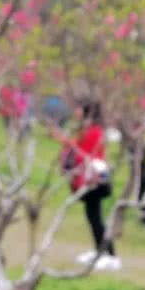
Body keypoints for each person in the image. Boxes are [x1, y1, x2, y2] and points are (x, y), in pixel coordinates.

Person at [52, 100, 119, 271]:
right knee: (93, 217)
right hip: (89, 176)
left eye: (79, 109)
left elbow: (83, 151)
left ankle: (109, 255)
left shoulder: (93, 131)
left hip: (93, 178)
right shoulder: (89, 130)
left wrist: (66, 142)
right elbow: (76, 146)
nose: (75, 112)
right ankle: (100, 251)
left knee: (96, 218)